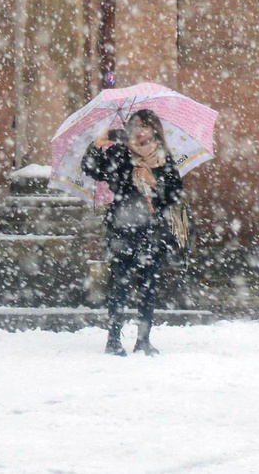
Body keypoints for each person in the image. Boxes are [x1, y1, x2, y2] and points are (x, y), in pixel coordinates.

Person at [82, 108, 183, 355]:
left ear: (153, 129)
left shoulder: (163, 157)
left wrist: (155, 185)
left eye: (144, 126)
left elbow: (175, 193)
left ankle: (143, 339)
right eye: (135, 126)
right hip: (123, 227)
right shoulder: (119, 153)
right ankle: (114, 340)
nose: (139, 131)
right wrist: (97, 145)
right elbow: (90, 168)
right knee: (121, 284)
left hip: (153, 229)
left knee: (148, 285)